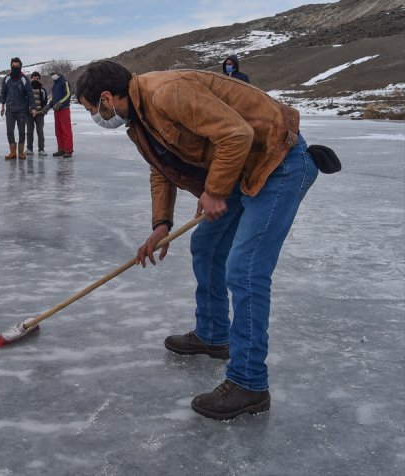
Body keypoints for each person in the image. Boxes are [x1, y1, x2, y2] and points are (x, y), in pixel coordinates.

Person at [75, 60, 322, 421]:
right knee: (206, 245)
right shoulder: (138, 120)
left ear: (108, 98)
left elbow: (236, 134)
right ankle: (212, 335)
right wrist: (162, 223)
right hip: (243, 167)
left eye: (92, 109)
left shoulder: (166, 93)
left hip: (277, 162)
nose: (97, 117)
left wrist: (215, 191)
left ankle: (249, 383)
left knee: (246, 269)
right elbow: (161, 168)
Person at [0, 57, 36, 160]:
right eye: (13, 65)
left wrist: (33, 108)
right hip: (10, 110)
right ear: (11, 66)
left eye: (17, 65)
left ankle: (20, 152)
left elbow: (30, 94)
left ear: (20, 66)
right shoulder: (6, 78)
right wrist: (2, 106)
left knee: (21, 131)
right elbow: (3, 92)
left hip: (21, 110)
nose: (15, 67)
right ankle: (12, 152)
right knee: (10, 131)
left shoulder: (24, 79)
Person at [44, 69, 74, 158]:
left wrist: (60, 103)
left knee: (66, 130)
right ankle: (61, 149)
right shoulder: (54, 85)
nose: (53, 76)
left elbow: (68, 94)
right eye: (51, 74)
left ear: (58, 74)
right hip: (56, 110)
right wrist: (48, 107)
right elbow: (54, 99)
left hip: (64, 109)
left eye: (54, 74)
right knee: (58, 131)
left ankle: (68, 150)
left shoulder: (65, 82)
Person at [25, 71, 48, 156]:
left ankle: (41, 149)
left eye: (37, 78)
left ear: (39, 79)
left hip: (39, 114)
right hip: (29, 114)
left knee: (40, 132)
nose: (35, 80)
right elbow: (25, 101)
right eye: (34, 78)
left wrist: (43, 111)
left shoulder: (42, 90)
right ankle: (29, 149)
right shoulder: (27, 89)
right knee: (29, 132)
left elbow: (45, 102)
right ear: (31, 79)